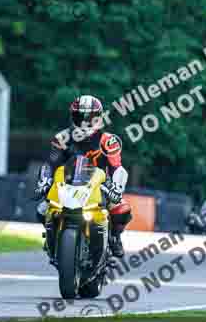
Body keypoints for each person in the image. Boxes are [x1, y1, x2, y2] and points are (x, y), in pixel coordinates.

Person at [32, 95, 132, 257]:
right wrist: (44, 181)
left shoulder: (108, 141)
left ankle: (114, 237)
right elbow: (50, 163)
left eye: (90, 118)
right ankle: (52, 236)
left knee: (122, 209)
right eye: (80, 117)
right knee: (42, 209)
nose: (85, 122)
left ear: (99, 118)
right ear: (73, 117)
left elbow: (117, 168)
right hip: (68, 184)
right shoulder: (63, 138)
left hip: (100, 187)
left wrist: (116, 188)